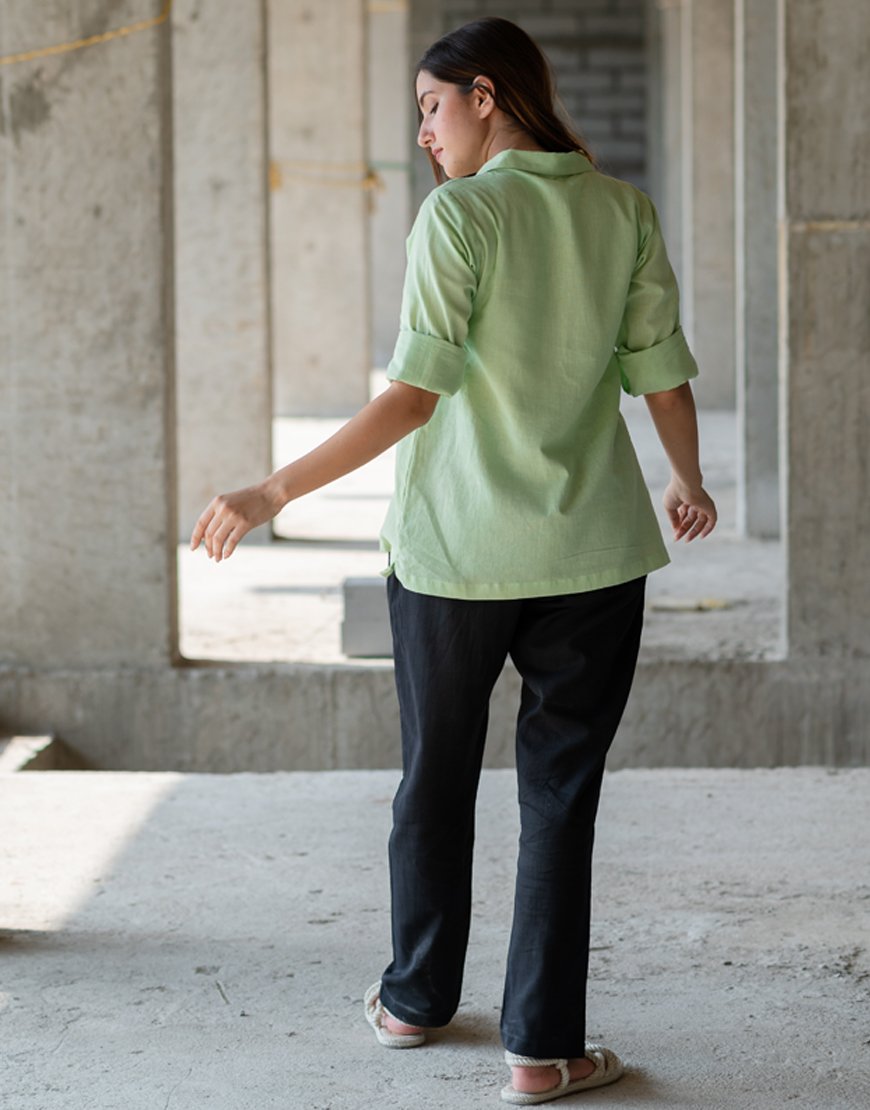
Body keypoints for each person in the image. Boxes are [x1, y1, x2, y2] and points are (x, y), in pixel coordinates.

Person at [190, 16, 717, 1105]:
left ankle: (414, 1001)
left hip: (452, 559)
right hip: (592, 556)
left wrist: (272, 489)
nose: (424, 135)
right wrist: (687, 478)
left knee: (433, 778)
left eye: (431, 108)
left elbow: (411, 396)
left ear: (485, 94)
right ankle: (543, 1048)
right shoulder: (623, 210)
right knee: (560, 795)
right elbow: (659, 374)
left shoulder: (460, 217)